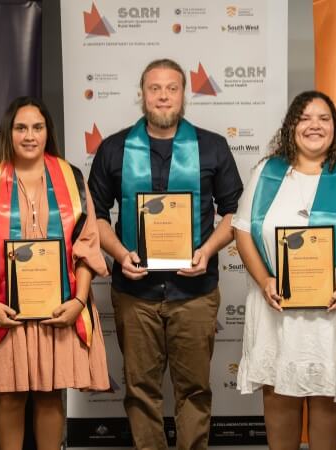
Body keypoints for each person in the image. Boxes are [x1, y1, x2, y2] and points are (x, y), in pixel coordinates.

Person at [88, 58, 243, 450]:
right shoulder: (114, 148)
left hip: (195, 292)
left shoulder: (212, 147)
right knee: (140, 390)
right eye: (154, 88)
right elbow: (95, 215)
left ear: (183, 94)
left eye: (171, 88)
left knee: (194, 390)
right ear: (142, 94)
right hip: (135, 294)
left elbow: (235, 213)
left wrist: (207, 251)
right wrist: (120, 254)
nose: (162, 96)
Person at [233, 91, 336, 450]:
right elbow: (241, 230)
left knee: (325, 392)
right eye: (305, 118)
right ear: (291, 126)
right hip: (278, 307)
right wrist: (265, 280)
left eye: (324, 118)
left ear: (334, 127)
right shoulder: (267, 171)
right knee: (279, 390)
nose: (315, 125)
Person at [0, 96, 109, 450]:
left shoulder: (70, 177)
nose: (29, 135)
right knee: (9, 396)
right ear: (9, 132)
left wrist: (79, 302)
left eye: (37, 127)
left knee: (49, 394)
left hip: (60, 307)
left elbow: (86, 244)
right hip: (5, 308)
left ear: (47, 132)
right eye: (21, 128)